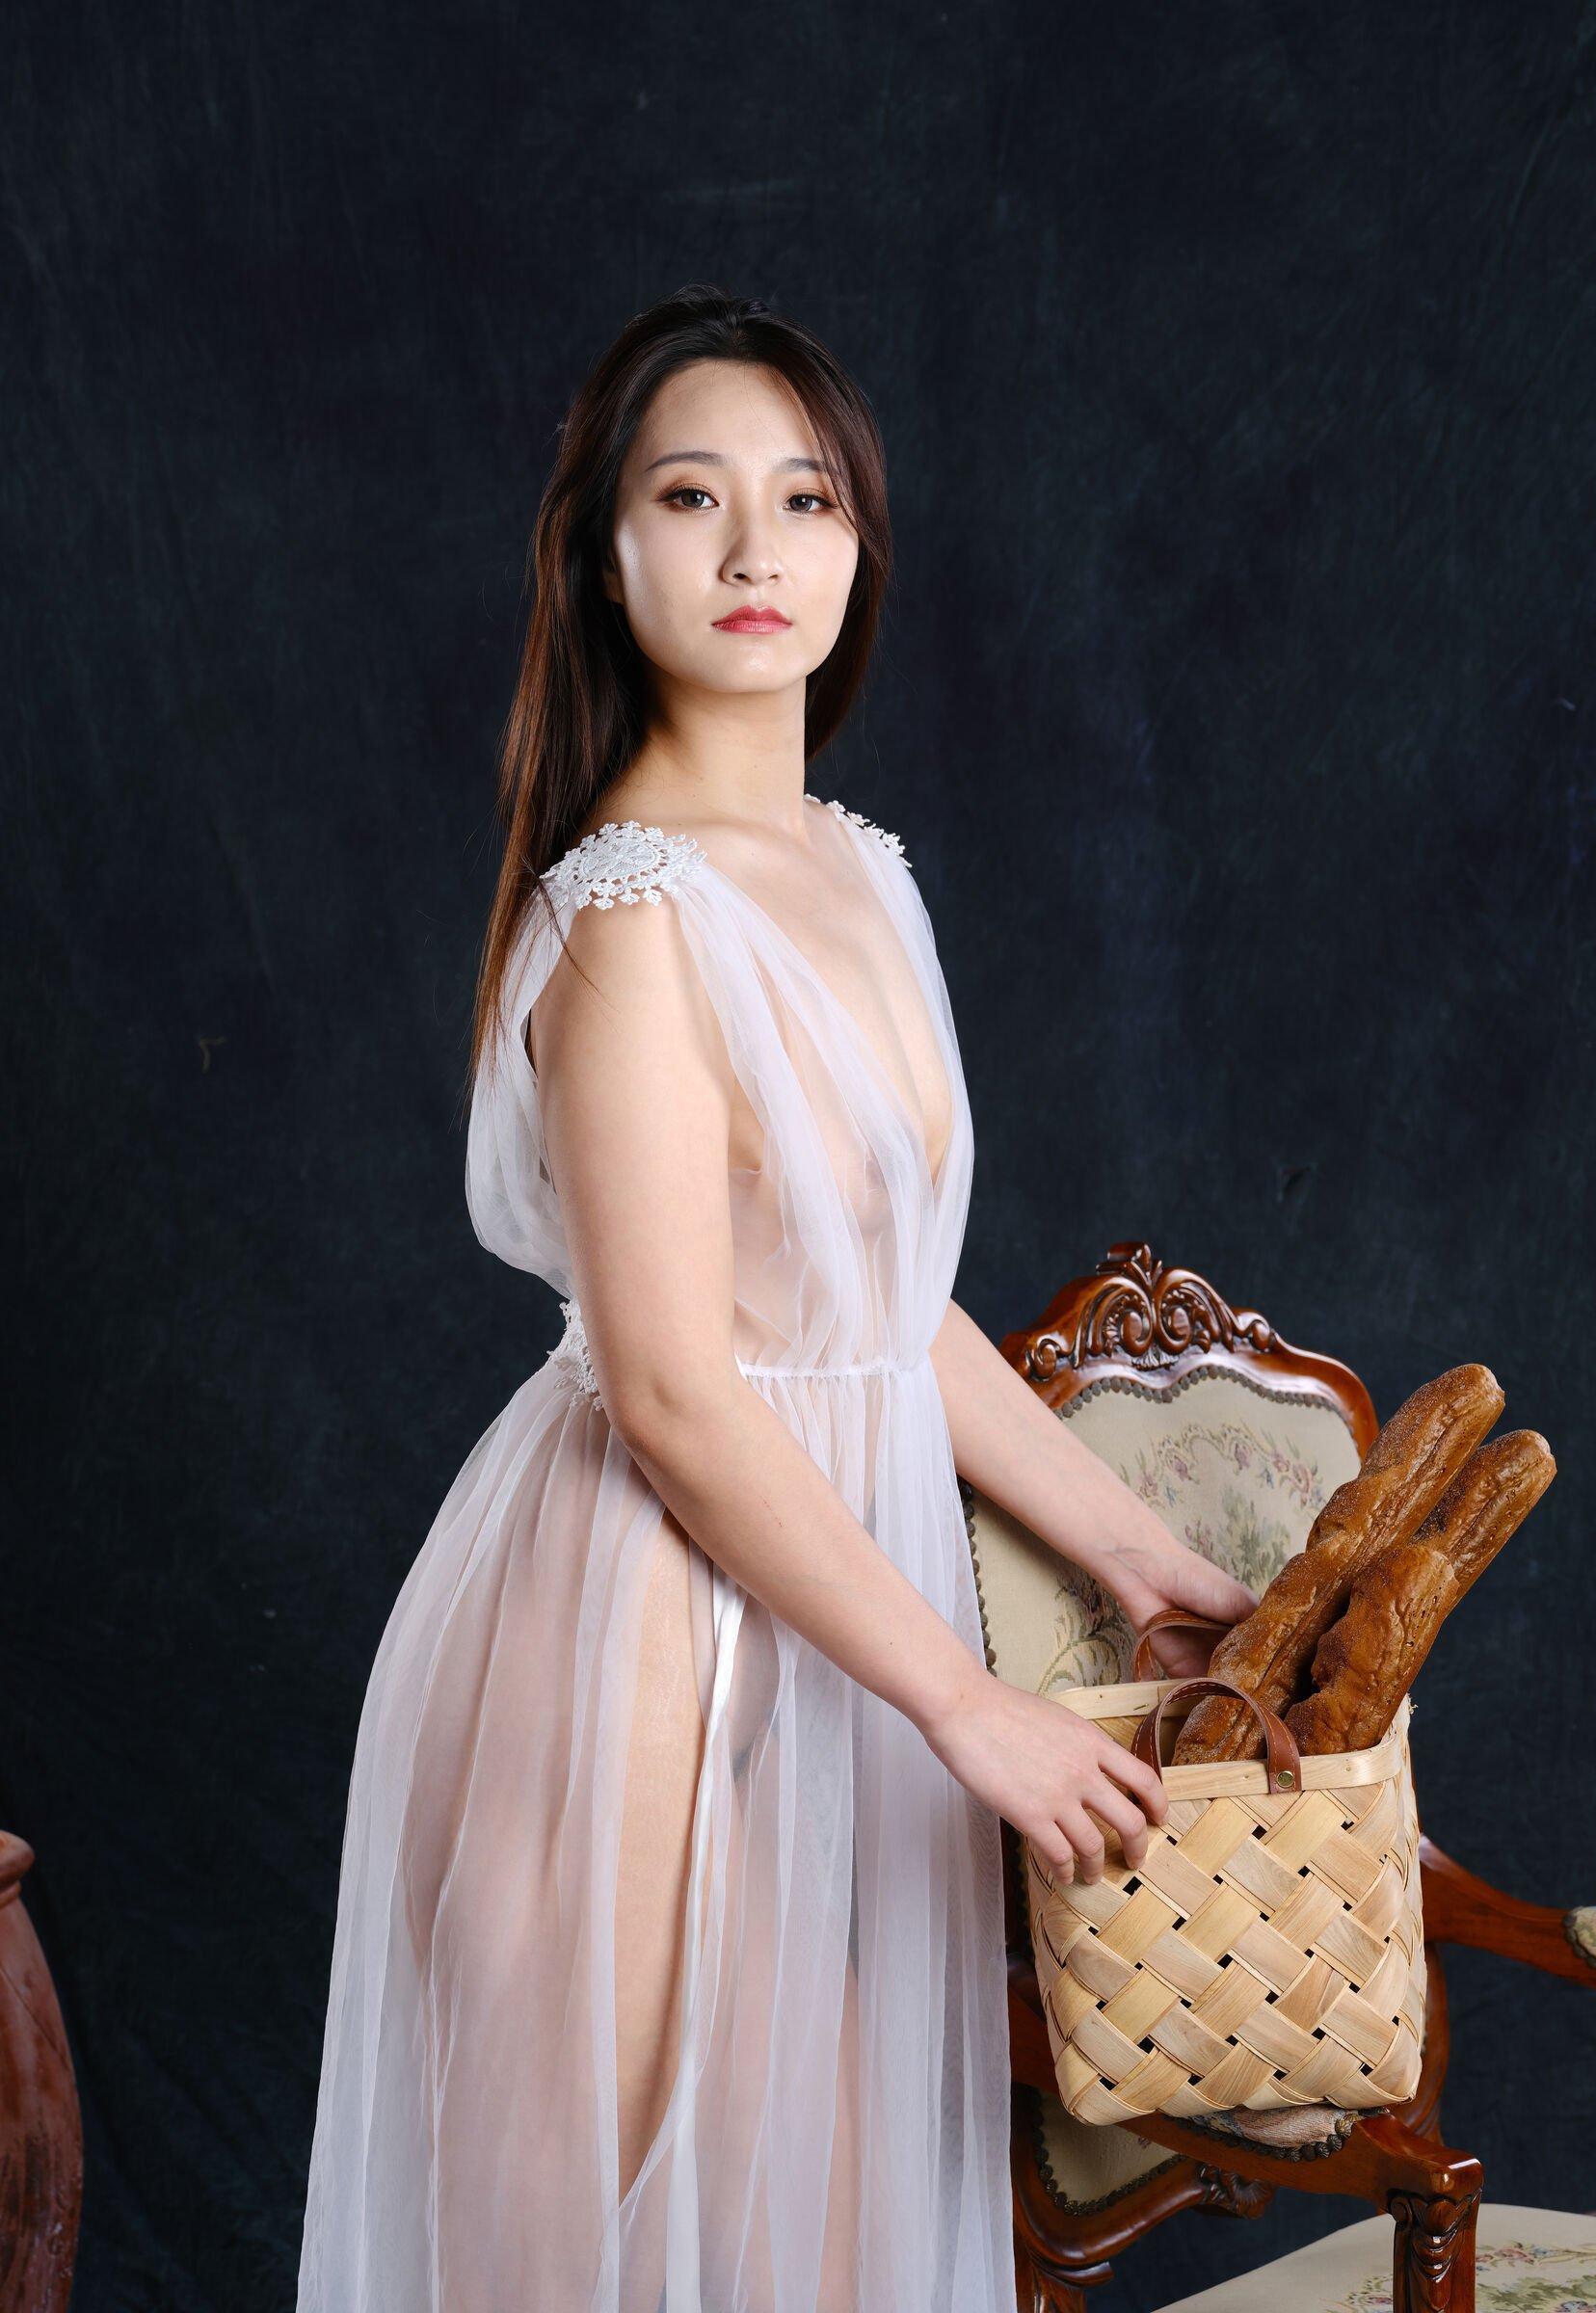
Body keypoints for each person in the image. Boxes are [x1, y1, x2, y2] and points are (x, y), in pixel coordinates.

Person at [295, 283, 1255, 2313]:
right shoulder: (626, 914)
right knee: (570, 2250)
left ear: (858, 543)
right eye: (691, 495)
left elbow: (876, 1307)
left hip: (841, 1628)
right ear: (601, 551)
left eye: (806, 498)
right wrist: (967, 1703)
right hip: (632, 1636)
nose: (757, 549)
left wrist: (1150, 1560)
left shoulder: (860, 865)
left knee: (821, 2241)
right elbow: (673, 1390)